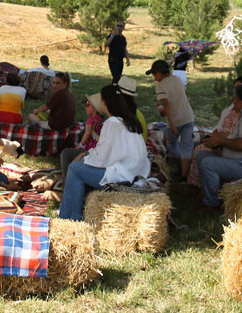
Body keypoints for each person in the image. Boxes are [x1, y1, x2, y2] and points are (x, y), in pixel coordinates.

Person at [58, 85, 151, 221]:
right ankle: (75, 208)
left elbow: (102, 157)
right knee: (78, 164)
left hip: (122, 176)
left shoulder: (112, 123)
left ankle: (69, 218)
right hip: (135, 172)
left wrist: (84, 158)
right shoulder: (128, 120)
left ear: (105, 102)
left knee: (75, 168)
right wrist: (86, 156)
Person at [195, 83, 242, 212]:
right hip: (241, 161)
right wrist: (219, 140)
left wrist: (220, 141)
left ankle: (212, 204)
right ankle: (208, 193)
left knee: (208, 163)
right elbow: (238, 137)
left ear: (239, 100)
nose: (232, 102)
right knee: (201, 156)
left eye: (233, 99)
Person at [187, 76, 242, 187]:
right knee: (200, 151)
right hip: (225, 142)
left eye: (238, 88)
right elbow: (220, 126)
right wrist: (214, 137)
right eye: (234, 88)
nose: (234, 91)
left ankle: (212, 197)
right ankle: (201, 187)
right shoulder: (232, 108)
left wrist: (221, 140)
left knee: (206, 159)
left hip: (238, 151)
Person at [148, 58, 196, 179]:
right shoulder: (178, 79)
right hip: (188, 117)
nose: (154, 77)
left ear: (159, 73)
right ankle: (186, 174)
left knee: (172, 145)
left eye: (154, 74)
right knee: (186, 146)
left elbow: (166, 105)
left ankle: (180, 170)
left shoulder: (160, 86)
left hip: (176, 120)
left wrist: (172, 125)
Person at [60, 95, 104, 180]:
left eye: (88, 104)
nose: (85, 106)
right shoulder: (102, 120)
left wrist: (81, 144)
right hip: (98, 147)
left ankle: (68, 179)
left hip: (91, 147)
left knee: (68, 154)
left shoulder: (90, 120)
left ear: (95, 108)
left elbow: (87, 133)